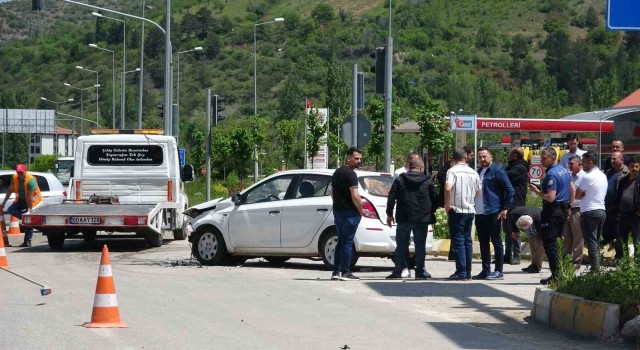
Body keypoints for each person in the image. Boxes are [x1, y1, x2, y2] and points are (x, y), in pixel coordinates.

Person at [386, 157, 437, 280]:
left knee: (401, 244)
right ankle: (420, 271)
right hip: (422, 218)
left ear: (409, 167)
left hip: (404, 217)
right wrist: (431, 211)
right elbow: (435, 198)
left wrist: (389, 214)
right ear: (421, 168)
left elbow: (391, 197)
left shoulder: (400, 179)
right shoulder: (427, 181)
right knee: (420, 245)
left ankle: (398, 270)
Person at [529, 147, 574, 285]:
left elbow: (550, 197)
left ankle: (557, 275)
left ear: (553, 158)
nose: (542, 159)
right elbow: (572, 189)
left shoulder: (552, 174)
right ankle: (560, 273)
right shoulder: (564, 171)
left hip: (552, 211)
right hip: (562, 209)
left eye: (544, 157)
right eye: (541, 157)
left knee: (550, 244)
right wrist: (569, 207)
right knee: (557, 243)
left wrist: (536, 191)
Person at [473, 147, 514, 280]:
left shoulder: (498, 171)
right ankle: (485, 270)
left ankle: (498, 270)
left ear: (491, 157)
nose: (482, 159)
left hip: (493, 211)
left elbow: (510, 190)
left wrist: (504, 208)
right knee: (483, 242)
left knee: (496, 240)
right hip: (479, 212)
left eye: (484, 156)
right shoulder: (478, 172)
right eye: (480, 157)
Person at [445, 148, 481, 281]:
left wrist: (447, 205)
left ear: (454, 159)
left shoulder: (452, 171)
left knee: (458, 241)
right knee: (467, 241)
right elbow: (478, 192)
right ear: (465, 158)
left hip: (457, 210)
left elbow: (448, 188)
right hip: (470, 210)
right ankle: (468, 272)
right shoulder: (474, 172)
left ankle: (461, 272)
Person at [330, 147, 364, 281]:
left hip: (338, 211)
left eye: (360, 159)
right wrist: (360, 209)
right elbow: (355, 195)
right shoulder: (351, 174)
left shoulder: (337, 172)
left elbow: (332, 193)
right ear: (348, 158)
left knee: (340, 241)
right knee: (347, 243)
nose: (359, 161)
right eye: (356, 158)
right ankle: (346, 272)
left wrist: (337, 204)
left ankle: (335, 271)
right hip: (350, 212)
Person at [576, 152, 607, 272]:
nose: (582, 165)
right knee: (596, 241)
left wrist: (583, 193)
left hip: (589, 211)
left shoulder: (587, 177)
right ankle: (597, 267)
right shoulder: (602, 175)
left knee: (591, 242)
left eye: (583, 162)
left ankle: (595, 270)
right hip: (601, 210)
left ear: (590, 162)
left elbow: (578, 195)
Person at [393, 152, 422, 278]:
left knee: (418, 243)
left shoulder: (423, 177)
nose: (412, 162)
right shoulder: (399, 174)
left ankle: (418, 268)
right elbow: (393, 193)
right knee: (402, 243)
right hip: (404, 212)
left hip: (418, 213)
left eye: (414, 160)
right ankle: (402, 267)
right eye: (410, 160)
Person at [0, 164, 43, 247]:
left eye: (21, 172)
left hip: (32, 201)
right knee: (10, 210)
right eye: (18, 172)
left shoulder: (31, 180)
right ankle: (25, 219)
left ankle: (27, 241)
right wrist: (4, 202)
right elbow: (10, 190)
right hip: (21, 200)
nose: (19, 174)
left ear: (25, 171)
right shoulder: (15, 178)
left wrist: (30, 211)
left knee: (28, 221)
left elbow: (30, 198)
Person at [503, 146, 529, 265]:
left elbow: (505, 176)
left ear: (515, 155)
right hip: (509, 202)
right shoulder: (514, 166)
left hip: (516, 202)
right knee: (507, 230)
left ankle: (516, 256)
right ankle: (507, 255)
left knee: (514, 230)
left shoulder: (520, 167)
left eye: (510, 153)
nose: (509, 155)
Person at [562, 155, 585, 269]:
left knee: (578, 236)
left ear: (579, 164)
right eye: (569, 164)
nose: (569, 166)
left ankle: (576, 262)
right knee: (566, 236)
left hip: (577, 209)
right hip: (567, 209)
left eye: (572, 164)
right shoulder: (569, 176)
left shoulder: (584, 177)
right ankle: (565, 260)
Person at [614, 157, 640, 258]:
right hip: (623, 214)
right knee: (621, 238)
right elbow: (619, 195)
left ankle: (638, 262)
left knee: (636, 240)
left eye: (637, 166)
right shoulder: (624, 180)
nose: (634, 168)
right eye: (632, 166)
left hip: (636, 214)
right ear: (628, 167)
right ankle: (621, 260)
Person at [506, 206, 545, 273]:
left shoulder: (540, 218)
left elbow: (544, 232)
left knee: (539, 248)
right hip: (531, 221)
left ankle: (537, 267)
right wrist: (514, 231)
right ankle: (533, 265)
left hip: (541, 228)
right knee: (532, 247)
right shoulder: (514, 214)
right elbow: (510, 220)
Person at [603, 152, 629, 248]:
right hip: (607, 208)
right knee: (607, 233)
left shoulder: (627, 172)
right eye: (611, 159)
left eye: (615, 159)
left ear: (621, 160)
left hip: (620, 209)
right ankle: (608, 257)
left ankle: (620, 258)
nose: (612, 161)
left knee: (619, 235)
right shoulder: (608, 173)